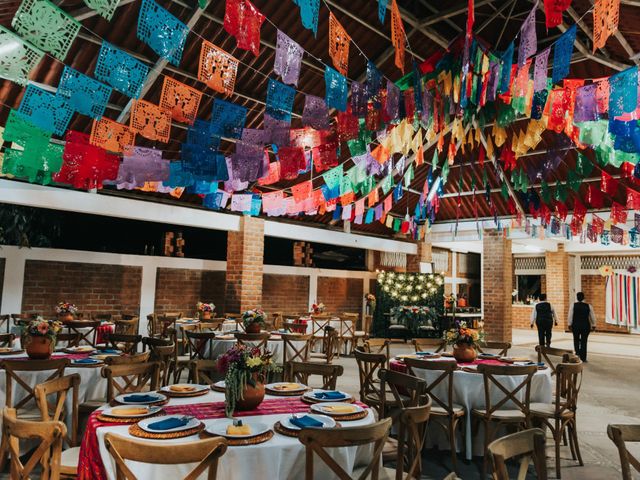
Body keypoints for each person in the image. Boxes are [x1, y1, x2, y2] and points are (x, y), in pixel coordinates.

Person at [568, 292, 597, 362]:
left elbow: (570, 315)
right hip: (585, 325)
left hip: (576, 325)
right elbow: (592, 316)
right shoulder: (588, 306)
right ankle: (583, 358)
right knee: (584, 341)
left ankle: (577, 355)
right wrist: (594, 325)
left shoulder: (573, 305)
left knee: (576, 340)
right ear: (584, 297)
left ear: (577, 298)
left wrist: (569, 324)